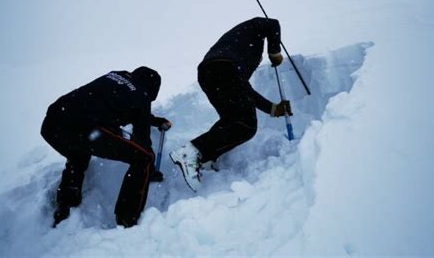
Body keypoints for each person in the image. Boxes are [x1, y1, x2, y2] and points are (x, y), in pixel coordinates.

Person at [169, 17, 292, 192]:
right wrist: (274, 51)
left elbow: (243, 88)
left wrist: (272, 109)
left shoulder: (237, 44)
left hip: (208, 73)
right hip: (224, 69)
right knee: (246, 126)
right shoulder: (253, 29)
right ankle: (191, 151)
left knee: (233, 120)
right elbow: (273, 23)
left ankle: (204, 158)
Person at [41, 67, 171, 228]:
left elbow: (118, 105)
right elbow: (142, 139)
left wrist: (154, 120)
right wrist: (150, 170)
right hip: (87, 128)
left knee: (79, 154)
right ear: (151, 90)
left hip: (53, 122)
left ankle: (66, 205)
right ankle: (127, 218)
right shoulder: (142, 95)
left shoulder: (116, 75)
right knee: (143, 158)